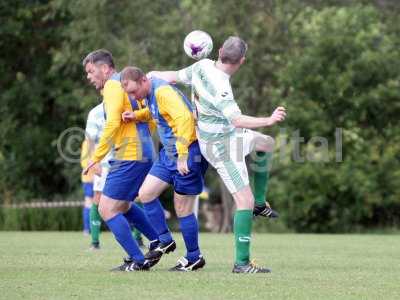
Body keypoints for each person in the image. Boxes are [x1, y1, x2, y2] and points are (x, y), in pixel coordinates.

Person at [147, 36, 286, 273]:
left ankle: (260, 203)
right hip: (220, 148)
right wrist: (269, 119)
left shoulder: (201, 66)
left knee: (267, 144)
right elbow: (237, 119)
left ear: (219, 50)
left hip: (229, 135)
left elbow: (173, 76)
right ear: (242, 61)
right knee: (244, 201)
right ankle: (242, 264)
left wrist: (150, 74)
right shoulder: (222, 88)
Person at [82, 49, 173, 271]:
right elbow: (151, 115)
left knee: (106, 209)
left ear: (105, 68)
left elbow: (113, 122)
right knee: (122, 205)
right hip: (143, 151)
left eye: (91, 71)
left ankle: (138, 260)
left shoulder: (113, 86)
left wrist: (97, 155)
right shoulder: (128, 84)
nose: (89, 77)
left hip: (130, 154)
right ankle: (157, 241)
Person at [120, 66, 208, 271]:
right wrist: (136, 115)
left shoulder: (163, 91)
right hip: (168, 154)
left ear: (144, 80)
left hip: (188, 151)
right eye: (129, 94)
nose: (133, 96)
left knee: (182, 207)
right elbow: (156, 113)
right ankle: (165, 240)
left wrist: (183, 153)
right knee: (146, 193)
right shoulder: (149, 95)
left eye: (134, 91)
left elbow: (185, 119)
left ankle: (194, 256)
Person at [80, 139, 93, 236]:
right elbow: (84, 162)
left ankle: (90, 229)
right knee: (89, 202)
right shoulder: (87, 142)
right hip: (90, 179)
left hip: (97, 178)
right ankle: (87, 229)